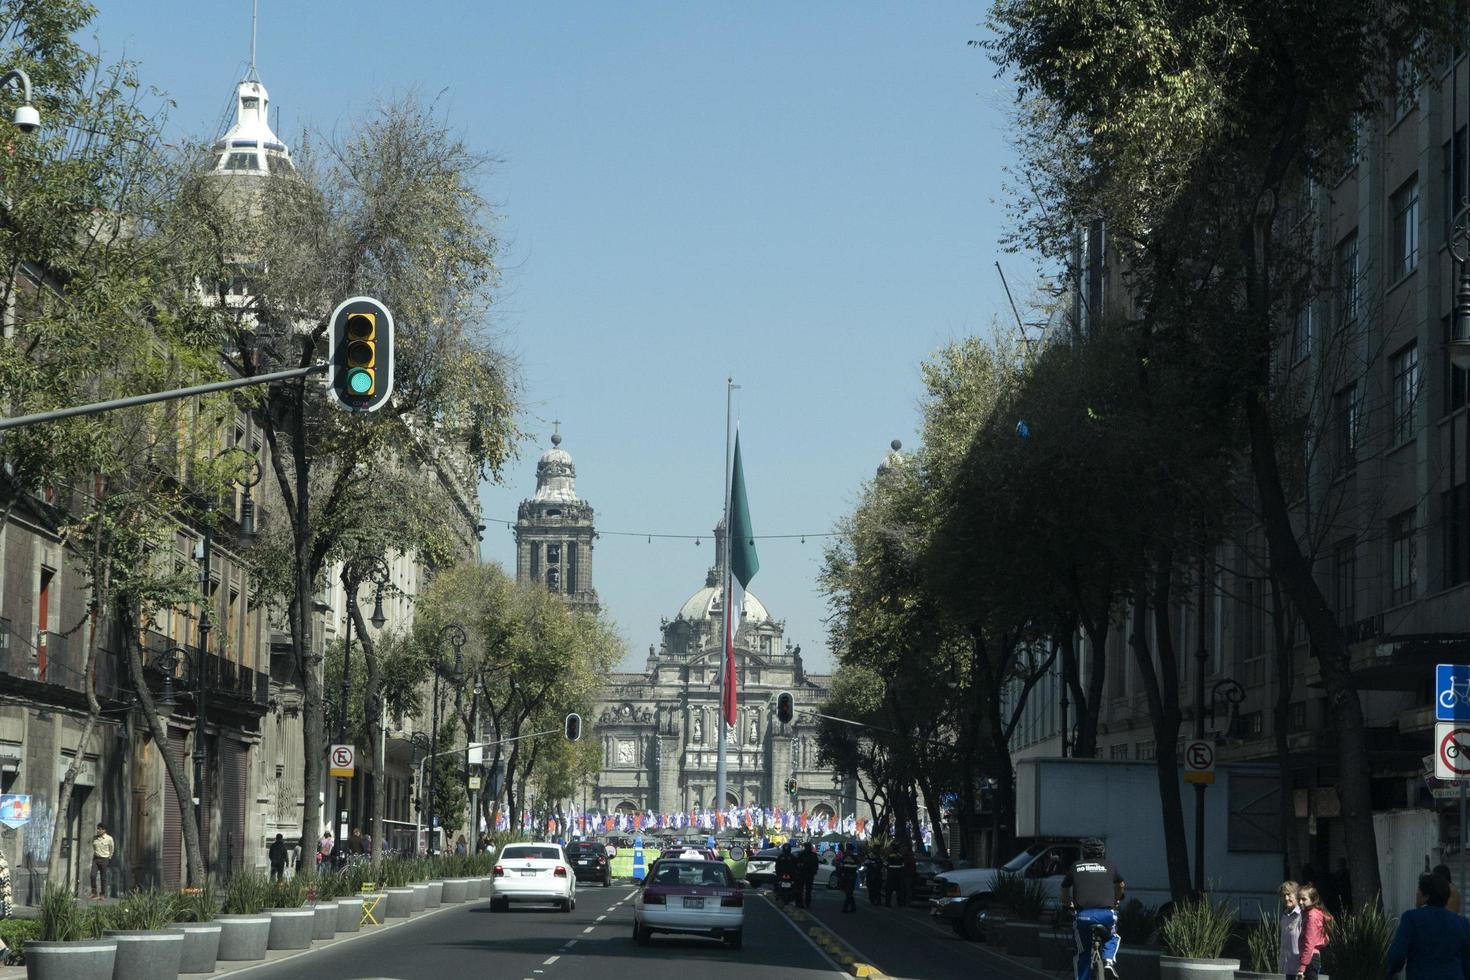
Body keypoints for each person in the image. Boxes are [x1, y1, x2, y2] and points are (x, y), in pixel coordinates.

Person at [1060, 838, 1125, 980]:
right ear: (1103, 852)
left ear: (1083, 852)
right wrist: (1116, 900)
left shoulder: (1075, 866)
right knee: (1113, 936)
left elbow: (1064, 887)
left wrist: (1067, 903)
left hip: (1083, 916)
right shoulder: (1110, 866)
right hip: (1106, 915)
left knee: (1082, 953)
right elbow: (1120, 884)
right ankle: (1108, 961)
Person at [1386, 872, 1470, 980]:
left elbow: (1396, 956)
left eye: (1418, 890)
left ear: (1426, 896)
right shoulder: (1462, 923)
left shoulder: (1411, 918)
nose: (1416, 894)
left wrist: (1390, 972)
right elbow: (1467, 961)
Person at [1295, 884, 1331, 980]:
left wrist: (1302, 968)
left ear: (1313, 899)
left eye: (1304, 899)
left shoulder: (1311, 916)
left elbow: (1309, 942)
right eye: (1298, 899)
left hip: (1310, 958)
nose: (1300, 902)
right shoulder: (1311, 913)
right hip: (1310, 958)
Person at [1278, 880, 1302, 980]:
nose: (1286, 898)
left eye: (1288, 894)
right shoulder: (1284, 916)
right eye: (1283, 895)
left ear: (1296, 895)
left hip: (1300, 968)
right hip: (1287, 967)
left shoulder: (1302, 916)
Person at [90, 823, 114, 899]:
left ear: (104, 830)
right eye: (97, 828)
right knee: (92, 875)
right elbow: (93, 846)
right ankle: (94, 892)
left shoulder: (109, 838)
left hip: (104, 859)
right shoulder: (94, 838)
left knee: (103, 877)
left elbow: (112, 848)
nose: (98, 830)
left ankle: (102, 894)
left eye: (100, 829)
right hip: (96, 859)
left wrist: (109, 857)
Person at [838, 843, 861, 914]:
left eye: (850, 850)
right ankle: (853, 906)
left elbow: (859, 866)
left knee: (849, 892)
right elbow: (841, 866)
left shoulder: (854, 857)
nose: (849, 851)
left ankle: (845, 908)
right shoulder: (844, 857)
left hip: (851, 877)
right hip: (845, 877)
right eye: (848, 850)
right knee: (848, 892)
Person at [798, 842, 819, 909]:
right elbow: (797, 863)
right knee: (802, 889)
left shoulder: (813, 855)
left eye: (808, 847)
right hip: (803, 873)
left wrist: (814, 871)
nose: (808, 848)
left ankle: (806, 903)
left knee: (807, 890)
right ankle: (802, 903)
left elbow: (816, 865)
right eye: (807, 847)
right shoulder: (802, 854)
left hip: (809, 874)